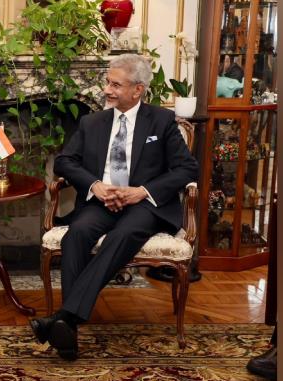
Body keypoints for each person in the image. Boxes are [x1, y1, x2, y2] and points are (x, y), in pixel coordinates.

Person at [30, 54, 199, 360]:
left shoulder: (161, 120)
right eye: (107, 82)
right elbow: (66, 161)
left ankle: (65, 320)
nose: (107, 89)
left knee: (124, 234)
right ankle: (67, 331)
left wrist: (141, 192)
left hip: (144, 206)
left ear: (138, 90)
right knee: (76, 234)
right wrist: (95, 185)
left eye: (115, 84)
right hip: (102, 200)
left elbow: (187, 169)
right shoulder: (92, 122)